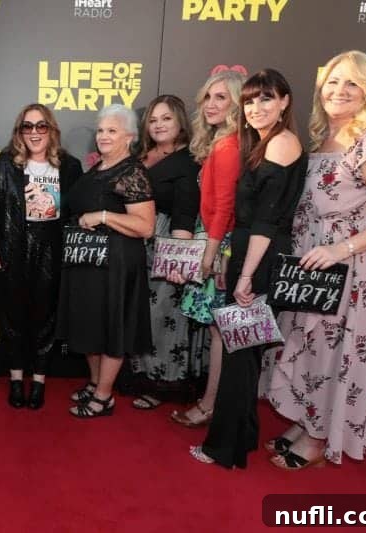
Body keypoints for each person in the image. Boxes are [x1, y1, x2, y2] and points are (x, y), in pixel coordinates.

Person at [260, 51, 366, 469]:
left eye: (351, 83)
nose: (339, 91)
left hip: (353, 267)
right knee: (308, 346)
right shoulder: (323, 136)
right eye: (332, 81)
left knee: (334, 351)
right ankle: (306, 419)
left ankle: (319, 438)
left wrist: (339, 250)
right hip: (313, 264)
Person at [188, 69, 306, 468]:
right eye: (251, 101)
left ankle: (224, 449)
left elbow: (265, 223)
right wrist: (229, 260)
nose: (256, 108)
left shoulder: (281, 145)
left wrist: (244, 276)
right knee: (245, 353)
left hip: (260, 259)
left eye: (266, 99)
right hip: (248, 255)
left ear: (285, 102)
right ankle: (243, 439)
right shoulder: (263, 142)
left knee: (240, 358)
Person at [57, 104, 155, 418]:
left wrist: (102, 216)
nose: (103, 136)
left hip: (117, 263)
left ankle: (103, 397)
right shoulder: (99, 167)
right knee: (89, 324)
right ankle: (96, 381)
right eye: (101, 130)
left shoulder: (132, 171)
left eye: (112, 130)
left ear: (129, 136)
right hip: (87, 260)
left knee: (112, 327)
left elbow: (145, 226)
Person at [0, 103, 82, 410]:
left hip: (52, 251)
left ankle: (38, 381)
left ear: (51, 130)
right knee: (12, 317)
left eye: (41, 126)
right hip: (12, 247)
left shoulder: (69, 166)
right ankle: (16, 380)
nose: (35, 133)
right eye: (28, 126)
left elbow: (75, 214)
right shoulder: (6, 163)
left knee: (45, 318)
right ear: (19, 131)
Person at [169, 69, 244, 428]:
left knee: (221, 330)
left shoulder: (228, 146)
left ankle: (212, 405)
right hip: (215, 238)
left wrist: (213, 254)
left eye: (222, 98)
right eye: (208, 97)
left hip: (219, 241)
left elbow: (226, 206)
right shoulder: (221, 142)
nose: (212, 105)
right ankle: (212, 402)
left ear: (236, 104)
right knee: (219, 329)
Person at [130, 95, 202, 410]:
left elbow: (186, 212)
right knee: (137, 312)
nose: (159, 125)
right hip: (133, 242)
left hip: (163, 243)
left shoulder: (188, 160)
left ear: (180, 123)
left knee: (160, 315)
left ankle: (161, 382)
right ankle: (137, 375)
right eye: (154, 120)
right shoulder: (141, 155)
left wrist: (177, 258)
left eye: (166, 119)